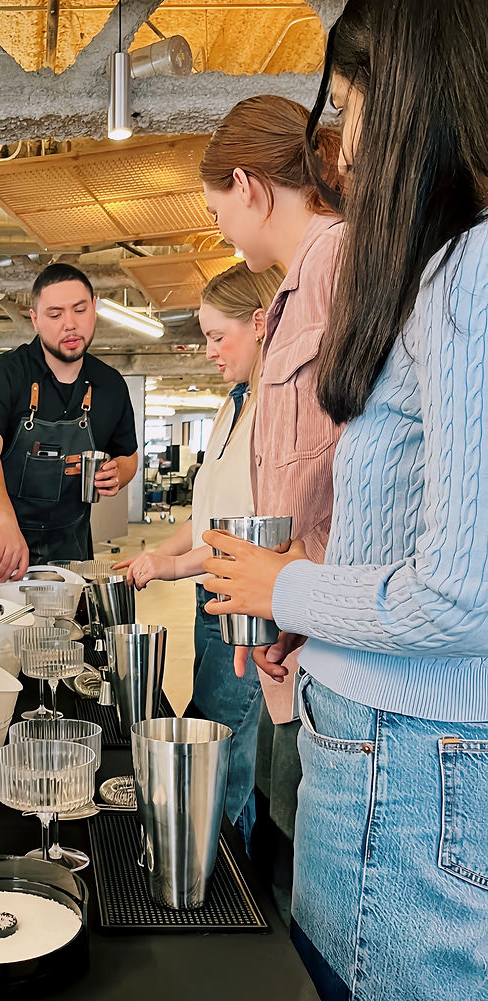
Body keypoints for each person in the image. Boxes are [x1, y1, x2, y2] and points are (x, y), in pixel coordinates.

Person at [203, 2, 488, 1001]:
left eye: (359, 107)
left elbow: (463, 593)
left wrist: (285, 580)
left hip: (406, 763)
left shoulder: (466, 272)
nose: (346, 143)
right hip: (391, 752)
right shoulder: (432, 273)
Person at [198, 95, 344, 894]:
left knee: (300, 878)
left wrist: (289, 586)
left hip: (330, 641)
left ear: (249, 187)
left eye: (219, 209)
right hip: (300, 631)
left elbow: (351, 480)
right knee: (285, 827)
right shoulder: (299, 287)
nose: (222, 229)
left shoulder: (335, 274)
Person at [115, 262, 283, 848]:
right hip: (210, 599)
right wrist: (159, 553)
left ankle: (221, 866)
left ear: (262, 323)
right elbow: (209, 517)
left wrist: (172, 566)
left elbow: (252, 538)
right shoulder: (231, 405)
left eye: (218, 335)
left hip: (248, 602)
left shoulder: (278, 412)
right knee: (209, 726)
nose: (208, 349)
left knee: (223, 746)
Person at [0, 263, 139, 580]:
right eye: (55, 315)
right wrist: (4, 520)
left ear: (94, 309)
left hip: (70, 548)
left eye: (80, 310)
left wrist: (118, 473)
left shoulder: (110, 386)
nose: (70, 324)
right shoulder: (3, 375)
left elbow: (128, 455)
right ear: (35, 319)